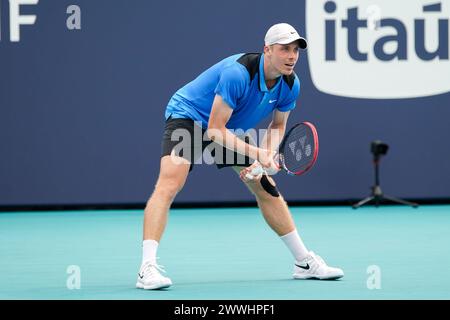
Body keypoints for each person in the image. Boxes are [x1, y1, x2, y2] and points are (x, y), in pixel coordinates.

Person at [136, 23, 344, 290]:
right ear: (267, 50)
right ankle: (147, 268)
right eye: (284, 50)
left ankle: (304, 262)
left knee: (267, 188)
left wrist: (265, 158)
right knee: (169, 184)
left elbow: (278, 126)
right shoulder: (238, 73)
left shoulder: (291, 84)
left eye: (295, 50)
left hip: (226, 128)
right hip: (189, 117)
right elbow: (214, 130)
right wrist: (259, 155)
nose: (292, 56)